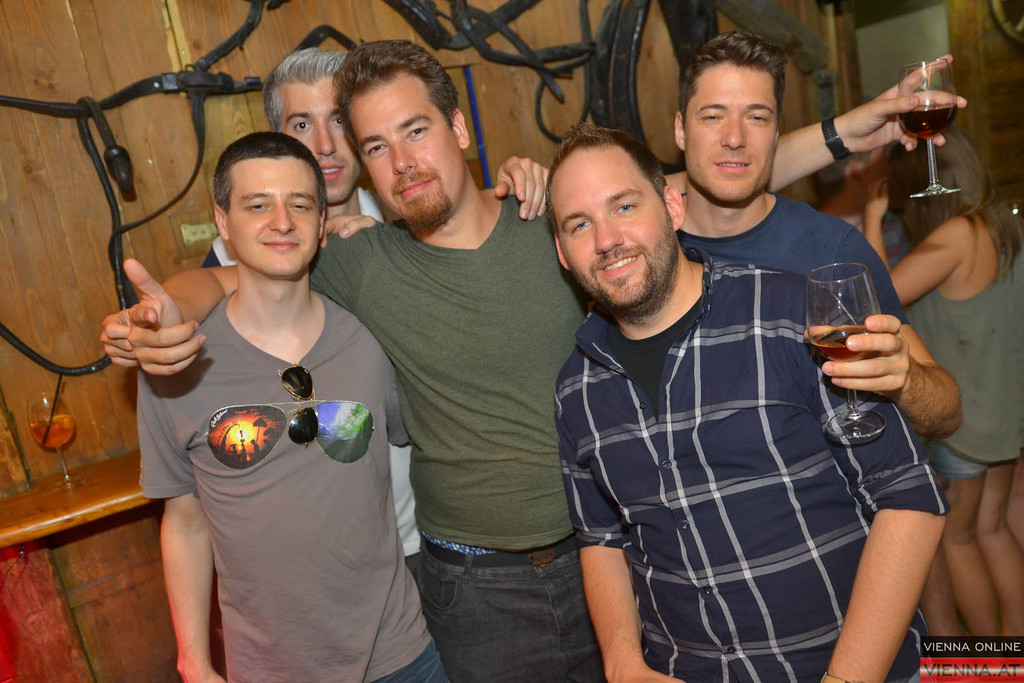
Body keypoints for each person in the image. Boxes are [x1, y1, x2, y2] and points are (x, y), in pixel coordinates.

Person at [108, 40, 603, 683]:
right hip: (458, 582)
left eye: (414, 131)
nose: (399, 159)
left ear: (458, 128)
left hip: (589, 549)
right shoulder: (352, 261)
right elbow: (239, 280)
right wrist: (159, 312)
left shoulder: (539, 220)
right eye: (376, 145)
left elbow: (642, 211)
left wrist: (541, 182)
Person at [546, 121, 947, 682]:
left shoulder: (793, 316)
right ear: (563, 253)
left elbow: (909, 498)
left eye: (624, 206)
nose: (607, 239)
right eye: (579, 224)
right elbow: (601, 539)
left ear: (672, 206)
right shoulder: (577, 388)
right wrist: (622, 662)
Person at [200, 48, 548, 567]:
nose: (325, 144)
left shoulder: (406, 213)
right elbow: (204, 290)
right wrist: (159, 313)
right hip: (325, 545)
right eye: (302, 124)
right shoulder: (257, 244)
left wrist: (534, 180)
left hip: (419, 528)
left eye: (339, 121)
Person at [139, 132, 442, 682]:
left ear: (322, 222)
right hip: (270, 668)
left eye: (300, 205)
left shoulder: (371, 336)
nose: (282, 222)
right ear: (223, 222)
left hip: (400, 655)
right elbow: (183, 523)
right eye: (258, 205)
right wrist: (194, 661)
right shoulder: (175, 360)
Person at [668, 30, 961, 440]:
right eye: (712, 116)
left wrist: (906, 379)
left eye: (757, 117)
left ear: (777, 131)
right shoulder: (645, 250)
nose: (735, 138)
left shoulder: (831, 248)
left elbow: (946, 414)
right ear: (681, 129)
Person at [863, 125, 1024, 636]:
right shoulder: (1000, 223)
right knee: (992, 531)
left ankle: (994, 662)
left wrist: (872, 218)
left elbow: (878, 296)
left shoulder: (957, 235)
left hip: (966, 424)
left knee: (957, 539)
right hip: (1001, 412)